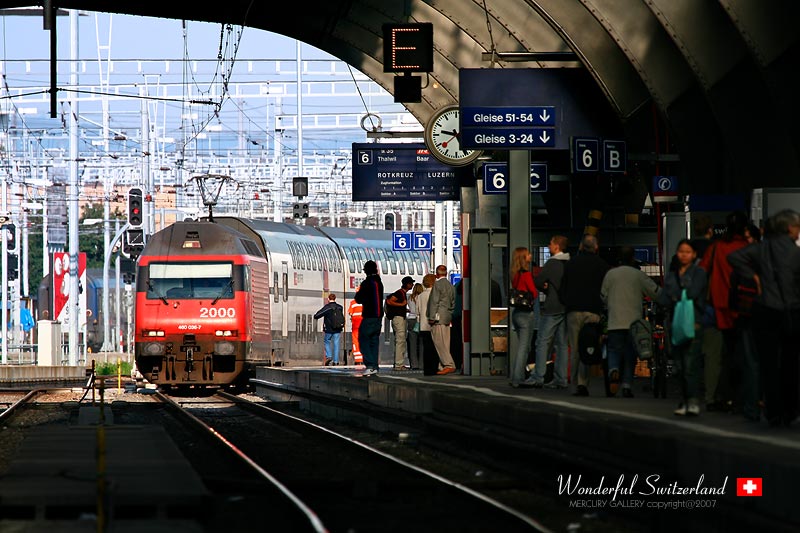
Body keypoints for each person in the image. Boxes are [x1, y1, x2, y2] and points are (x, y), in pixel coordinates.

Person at [728, 209, 800, 427]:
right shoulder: (796, 253)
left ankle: (773, 411)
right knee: (791, 362)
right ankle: (791, 409)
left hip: (764, 310)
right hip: (792, 311)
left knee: (768, 363)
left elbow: (733, 257)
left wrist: (754, 276)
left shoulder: (761, 249)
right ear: (789, 228)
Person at [698, 210, 749, 412]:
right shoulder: (748, 248)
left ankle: (715, 396)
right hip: (743, 308)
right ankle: (741, 397)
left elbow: (702, 271)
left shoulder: (717, 247)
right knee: (743, 355)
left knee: (714, 356)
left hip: (716, 307)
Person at [600, 246, 660, 398]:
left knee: (614, 349)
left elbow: (603, 296)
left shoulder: (611, 274)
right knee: (630, 354)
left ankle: (613, 369)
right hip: (634, 323)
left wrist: (610, 304)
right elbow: (654, 292)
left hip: (615, 322)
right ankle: (627, 385)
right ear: (633, 258)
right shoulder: (638, 275)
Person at [658, 239, 707, 416]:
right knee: (679, 364)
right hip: (676, 323)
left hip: (694, 322)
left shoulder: (699, 273)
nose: (684, 255)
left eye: (688, 252)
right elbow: (663, 298)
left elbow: (694, 293)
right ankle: (685, 400)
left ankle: (692, 400)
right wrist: (676, 295)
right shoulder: (672, 276)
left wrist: (674, 295)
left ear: (694, 255)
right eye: (681, 251)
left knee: (690, 363)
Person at [560, 234, 610, 396]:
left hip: (573, 311)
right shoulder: (602, 266)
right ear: (596, 247)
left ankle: (573, 384)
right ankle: (583, 383)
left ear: (581, 246)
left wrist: (567, 302)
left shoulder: (571, 264)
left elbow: (563, 289)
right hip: (593, 312)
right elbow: (605, 291)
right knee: (587, 346)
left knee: (574, 348)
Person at [533, 235, 570, 389]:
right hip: (566, 307)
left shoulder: (552, 263)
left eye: (550, 243)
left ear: (556, 246)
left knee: (542, 342)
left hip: (552, 307)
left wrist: (545, 288)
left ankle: (538, 376)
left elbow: (538, 281)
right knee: (562, 344)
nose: (548, 246)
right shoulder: (569, 263)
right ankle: (561, 378)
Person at [509, 247, 539, 388]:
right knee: (524, 347)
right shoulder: (526, 274)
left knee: (523, 346)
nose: (530, 256)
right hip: (526, 314)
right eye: (528, 254)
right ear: (523, 257)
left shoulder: (514, 274)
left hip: (516, 313)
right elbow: (533, 292)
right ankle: (517, 378)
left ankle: (518, 376)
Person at [354, 260, 384, 376]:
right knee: (374, 341)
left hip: (369, 316)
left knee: (363, 339)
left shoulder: (367, 283)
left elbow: (358, 298)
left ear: (366, 270)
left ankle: (370, 365)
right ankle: (375, 366)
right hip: (378, 317)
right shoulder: (379, 282)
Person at [427, 265, 456, 375]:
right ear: (446, 274)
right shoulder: (451, 286)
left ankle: (449, 364)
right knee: (446, 342)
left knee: (439, 342)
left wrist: (431, 317)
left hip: (438, 317)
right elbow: (453, 303)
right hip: (447, 316)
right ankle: (442, 365)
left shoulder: (437, 285)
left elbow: (434, 302)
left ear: (437, 274)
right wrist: (449, 313)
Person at [386, 276, 415, 370]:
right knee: (400, 341)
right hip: (398, 320)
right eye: (411, 283)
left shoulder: (402, 293)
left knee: (400, 341)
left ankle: (398, 363)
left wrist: (404, 309)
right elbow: (390, 301)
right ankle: (399, 364)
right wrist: (401, 305)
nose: (412, 285)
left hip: (399, 318)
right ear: (407, 284)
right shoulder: (399, 293)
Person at [313, 293, 344, 366]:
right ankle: (336, 361)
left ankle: (329, 356)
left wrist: (315, 316)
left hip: (329, 329)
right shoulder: (340, 307)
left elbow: (318, 315)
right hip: (338, 329)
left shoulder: (327, 307)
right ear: (335, 298)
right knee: (336, 344)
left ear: (328, 299)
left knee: (327, 341)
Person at [417, 274, 438, 375]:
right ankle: (434, 368)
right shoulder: (435, 295)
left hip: (423, 325)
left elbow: (417, 312)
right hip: (434, 325)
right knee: (435, 348)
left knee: (426, 348)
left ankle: (427, 369)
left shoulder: (420, 296)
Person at [406, 282, 425, 370]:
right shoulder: (422, 297)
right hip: (420, 319)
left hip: (411, 319)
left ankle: (414, 364)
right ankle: (422, 364)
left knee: (412, 343)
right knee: (421, 343)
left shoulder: (410, 298)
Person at [348, 288, 364, 368]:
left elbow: (350, 313)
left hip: (355, 326)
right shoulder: (367, 303)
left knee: (356, 342)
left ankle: (358, 360)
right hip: (365, 325)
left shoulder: (353, 303)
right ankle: (365, 358)